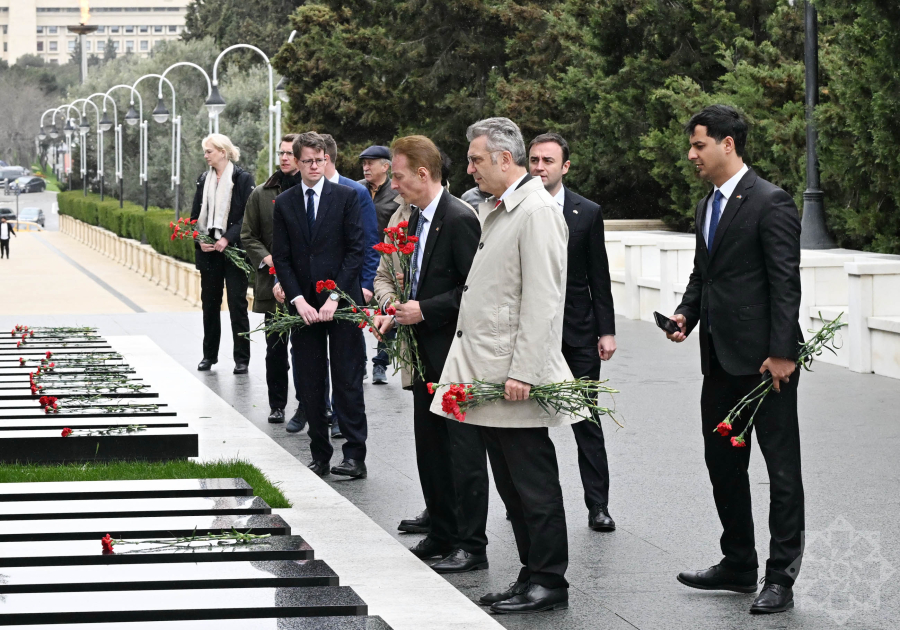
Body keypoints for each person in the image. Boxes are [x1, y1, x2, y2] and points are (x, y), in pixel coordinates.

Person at [431, 117, 574, 614]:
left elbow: (544, 299)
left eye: (476, 160)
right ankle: (530, 573)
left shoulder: (536, 211)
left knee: (533, 484)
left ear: (504, 159)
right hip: (492, 373)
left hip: (514, 376)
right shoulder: (504, 207)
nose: (469, 169)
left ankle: (550, 581)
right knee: (513, 487)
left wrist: (525, 372)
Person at [666, 105, 804, 615]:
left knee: (781, 472)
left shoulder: (771, 201)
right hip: (719, 361)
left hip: (768, 366)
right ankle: (739, 563)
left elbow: (785, 283)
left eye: (699, 144)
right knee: (723, 463)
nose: (691, 154)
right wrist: (686, 314)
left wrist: (782, 353)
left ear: (728, 144)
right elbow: (704, 275)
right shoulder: (706, 205)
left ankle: (780, 577)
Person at [373, 136, 487, 574]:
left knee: (463, 452)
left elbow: (475, 291)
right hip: (421, 353)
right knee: (431, 449)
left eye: (398, 176)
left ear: (423, 174)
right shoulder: (414, 218)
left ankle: (471, 546)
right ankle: (441, 533)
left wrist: (424, 309)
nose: (393, 184)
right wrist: (395, 309)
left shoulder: (458, 217)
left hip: (455, 355)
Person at [528, 132, 618, 532]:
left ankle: (598, 506)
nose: (539, 167)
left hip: (579, 333)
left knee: (587, 421)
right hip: (531, 337)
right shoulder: (517, 207)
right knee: (528, 424)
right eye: (534, 160)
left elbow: (599, 275)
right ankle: (528, 501)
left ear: (564, 166)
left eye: (548, 161)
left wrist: (606, 331)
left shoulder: (588, 211)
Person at [273, 131, 369, 479]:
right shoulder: (284, 203)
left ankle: (354, 456)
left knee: (347, 380)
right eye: (308, 161)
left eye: (320, 160)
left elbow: (356, 250)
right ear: (297, 163)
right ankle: (320, 455)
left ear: (327, 159)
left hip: (340, 304)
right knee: (310, 383)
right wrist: (298, 299)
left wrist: (335, 297)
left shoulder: (346, 197)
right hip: (303, 309)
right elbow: (282, 258)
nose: (315, 166)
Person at [320, 133, 380, 437]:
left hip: (350, 289)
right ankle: (318, 410)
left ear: (325, 158)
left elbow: (369, 242)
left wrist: (366, 284)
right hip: (316, 292)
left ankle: (341, 416)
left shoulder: (355, 192)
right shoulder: (302, 192)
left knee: (346, 360)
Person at [241, 134, 303, 423]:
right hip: (272, 284)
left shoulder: (310, 190)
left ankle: (309, 405)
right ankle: (277, 405)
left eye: (290, 153)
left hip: (305, 285)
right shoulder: (261, 193)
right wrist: (268, 259)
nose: (285, 158)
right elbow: (247, 235)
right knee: (275, 349)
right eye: (282, 153)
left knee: (306, 350)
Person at [190, 133, 255, 375]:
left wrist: (227, 238)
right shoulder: (203, 179)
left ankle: (242, 359)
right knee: (210, 305)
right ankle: (209, 355)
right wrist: (199, 240)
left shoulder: (242, 179)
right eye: (205, 151)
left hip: (234, 251)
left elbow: (247, 216)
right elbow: (195, 216)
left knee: (237, 305)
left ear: (223, 152)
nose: (205, 155)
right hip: (209, 253)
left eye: (209, 151)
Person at [359, 144, 401, 384]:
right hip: (360, 261)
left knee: (388, 310)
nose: (365, 168)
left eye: (370, 163)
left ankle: (380, 364)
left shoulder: (397, 193)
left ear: (386, 167)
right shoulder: (355, 189)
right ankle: (360, 363)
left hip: (387, 261)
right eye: (364, 163)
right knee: (356, 312)